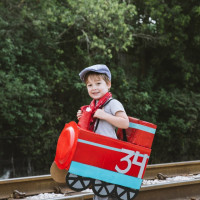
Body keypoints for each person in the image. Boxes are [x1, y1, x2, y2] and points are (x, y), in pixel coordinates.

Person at [77, 64, 129, 200]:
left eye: (98, 83)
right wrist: (84, 117)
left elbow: (125, 122)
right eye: (89, 85)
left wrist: (104, 115)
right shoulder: (93, 106)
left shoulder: (113, 103)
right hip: (97, 152)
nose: (94, 88)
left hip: (109, 151)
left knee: (104, 188)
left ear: (108, 84)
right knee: (101, 188)